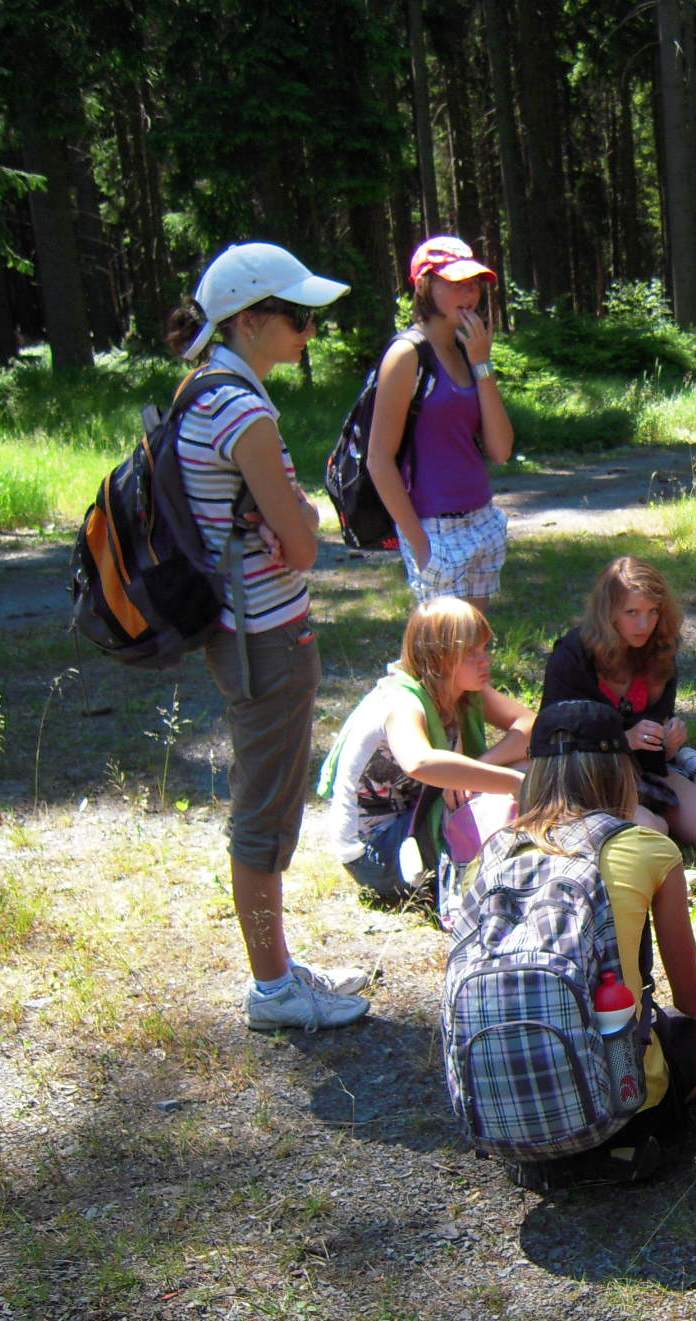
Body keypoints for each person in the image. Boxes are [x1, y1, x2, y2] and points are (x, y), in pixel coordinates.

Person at [168, 240, 365, 1031]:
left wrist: (291, 516)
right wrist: (302, 515)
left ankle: (276, 965)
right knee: (265, 816)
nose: (310, 331)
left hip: (238, 626)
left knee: (268, 805)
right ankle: (273, 988)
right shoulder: (244, 412)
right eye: (298, 316)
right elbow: (305, 542)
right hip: (266, 635)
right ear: (249, 321)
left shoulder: (201, 388)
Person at [480, 700, 696, 1189]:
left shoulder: (490, 854)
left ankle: (544, 1149)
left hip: (499, 1113)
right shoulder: (648, 848)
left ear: (534, 774)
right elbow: (692, 1000)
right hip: (623, 1111)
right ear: (622, 772)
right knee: (691, 1034)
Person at [317, 597, 534, 897]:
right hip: (378, 852)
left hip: (422, 812)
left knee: (531, 766)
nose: (485, 661)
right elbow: (420, 762)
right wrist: (514, 783)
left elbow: (530, 725)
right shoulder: (401, 701)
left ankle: (510, 864)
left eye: (485, 649)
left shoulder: (463, 689)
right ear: (438, 657)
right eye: (471, 654)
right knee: (506, 794)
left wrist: (480, 767)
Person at [541, 557, 696, 852]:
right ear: (608, 612)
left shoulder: (659, 648)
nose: (644, 625)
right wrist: (621, 740)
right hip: (588, 772)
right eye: (632, 612)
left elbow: (659, 723)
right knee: (650, 833)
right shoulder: (573, 657)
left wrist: (668, 739)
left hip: (645, 768)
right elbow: (549, 740)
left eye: (653, 611)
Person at [367, 236, 515, 617]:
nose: (469, 294)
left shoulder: (468, 350)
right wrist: (419, 544)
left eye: (474, 284)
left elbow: (501, 449)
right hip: (434, 526)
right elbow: (378, 459)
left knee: (476, 644)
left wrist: (482, 363)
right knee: (444, 648)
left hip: (481, 517)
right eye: (456, 284)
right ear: (424, 285)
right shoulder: (407, 355)